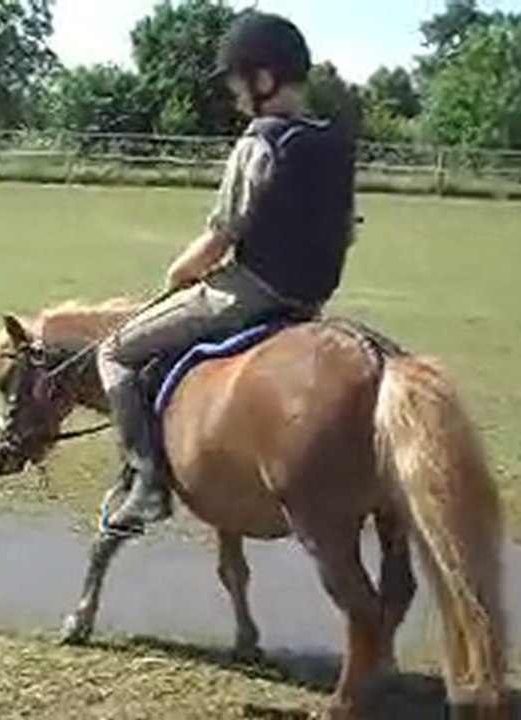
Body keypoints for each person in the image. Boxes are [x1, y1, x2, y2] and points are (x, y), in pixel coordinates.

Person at [96, 9, 357, 532]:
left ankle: (145, 483)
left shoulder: (259, 143)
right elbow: (347, 231)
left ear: (263, 79)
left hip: (250, 292)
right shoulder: (335, 144)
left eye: (238, 84)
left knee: (114, 352)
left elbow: (221, 237)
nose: (236, 97)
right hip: (309, 303)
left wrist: (179, 271)